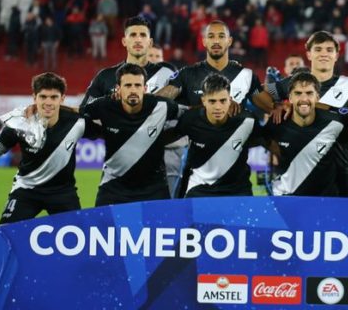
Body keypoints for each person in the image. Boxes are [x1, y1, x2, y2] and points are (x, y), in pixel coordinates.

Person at [0, 73, 95, 223]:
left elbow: (110, 125)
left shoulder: (78, 122)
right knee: (7, 237)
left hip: (63, 193)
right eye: (43, 97)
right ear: (34, 97)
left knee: (77, 242)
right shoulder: (20, 124)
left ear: (62, 99)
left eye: (54, 97)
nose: (48, 102)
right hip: (26, 191)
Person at [80, 63, 185, 206]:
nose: (133, 90)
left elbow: (191, 116)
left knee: (166, 227)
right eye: (128, 85)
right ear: (118, 89)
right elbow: (76, 116)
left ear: (145, 88)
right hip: (113, 187)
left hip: (154, 188)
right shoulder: (104, 106)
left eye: (137, 85)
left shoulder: (162, 105)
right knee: (101, 227)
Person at [173, 74, 262, 198]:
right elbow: (169, 137)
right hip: (200, 190)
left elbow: (266, 141)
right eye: (212, 101)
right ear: (203, 100)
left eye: (223, 100)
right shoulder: (190, 119)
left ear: (230, 100)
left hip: (238, 191)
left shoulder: (248, 121)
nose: (218, 107)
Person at [158, 20, 272, 110]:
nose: (216, 41)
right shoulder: (187, 74)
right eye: (211, 36)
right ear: (204, 41)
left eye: (221, 36)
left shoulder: (246, 76)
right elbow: (156, 101)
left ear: (230, 41)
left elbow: (271, 107)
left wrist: (281, 107)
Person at [264, 72, 345, 196]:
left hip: (325, 203)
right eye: (298, 93)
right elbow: (253, 92)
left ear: (317, 97)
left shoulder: (336, 123)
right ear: (290, 98)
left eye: (309, 93)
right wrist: (274, 105)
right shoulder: (277, 121)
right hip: (288, 202)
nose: (303, 99)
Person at [81, 16, 175, 106]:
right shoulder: (105, 77)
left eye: (143, 35)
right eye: (133, 35)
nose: (138, 40)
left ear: (150, 43)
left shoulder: (167, 74)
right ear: (124, 41)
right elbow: (85, 112)